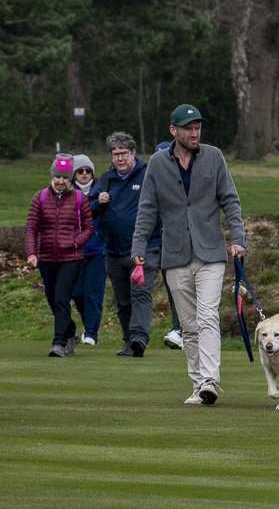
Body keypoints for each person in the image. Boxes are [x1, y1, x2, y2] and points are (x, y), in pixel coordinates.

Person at [130, 103, 246, 404]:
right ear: (174, 130)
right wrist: (138, 250)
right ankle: (198, 384)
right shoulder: (157, 163)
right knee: (189, 325)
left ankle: (210, 379)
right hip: (175, 255)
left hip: (211, 252)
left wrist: (238, 238)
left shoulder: (214, 157)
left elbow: (230, 200)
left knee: (207, 316)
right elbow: (146, 210)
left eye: (197, 128)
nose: (195, 133)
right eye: (188, 128)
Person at [26, 154, 94, 357]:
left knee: (61, 298)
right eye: (58, 177)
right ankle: (71, 331)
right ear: (52, 176)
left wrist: (75, 242)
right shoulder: (40, 197)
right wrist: (31, 252)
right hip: (46, 257)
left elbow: (89, 228)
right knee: (52, 299)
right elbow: (31, 228)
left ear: (70, 178)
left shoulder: (80, 199)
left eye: (65, 177)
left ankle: (59, 342)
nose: (61, 181)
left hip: (70, 258)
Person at [93, 132, 153, 356]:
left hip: (142, 247)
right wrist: (98, 201)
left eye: (124, 154)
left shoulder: (147, 176)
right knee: (123, 299)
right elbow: (89, 207)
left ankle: (139, 337)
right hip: (113, 249)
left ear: (133, 153)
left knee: (140, 293)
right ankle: (130, 341)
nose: (120, 158)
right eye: (115, 154)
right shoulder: (106, 179)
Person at [70, 154, 107, 346]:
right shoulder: (68, 192)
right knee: (76, 292)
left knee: (93, 292)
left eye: (88, 171)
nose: (85, 174)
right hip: (74, 251)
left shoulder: (102, 191)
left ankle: (91, 332)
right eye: (80, 171)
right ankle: (88, 324)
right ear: (74, 175)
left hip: (96, 250)